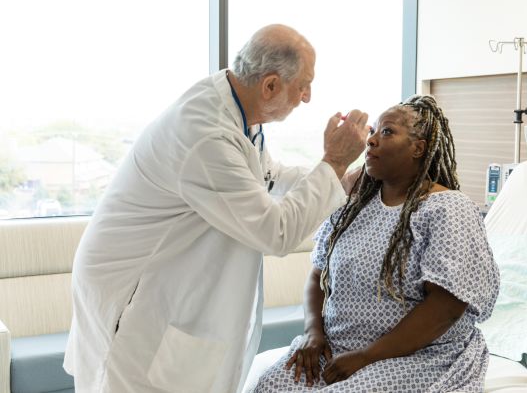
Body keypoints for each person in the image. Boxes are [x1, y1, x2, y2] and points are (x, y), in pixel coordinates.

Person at [63, 24, 370, 393]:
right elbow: (276, 232)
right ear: (270, 85)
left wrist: (341, 180)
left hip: (165, 285)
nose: (307, 97)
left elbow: (265, 175)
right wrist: (333, 163)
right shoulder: (205, 133)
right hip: (136, 298)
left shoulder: (237, 110)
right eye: (303, 85)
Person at [251, 95, 500, 393]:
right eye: (372, 132)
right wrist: (313, 334)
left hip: (417, 358)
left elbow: (446, 307)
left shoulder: (447, 209)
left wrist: (367, 357)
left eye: (387, 132)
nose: (371, 141)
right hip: (337, 349)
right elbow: (318, 276)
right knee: (268, 386)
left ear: (419, 148)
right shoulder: (353, 206)